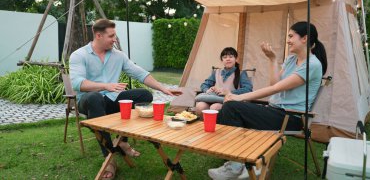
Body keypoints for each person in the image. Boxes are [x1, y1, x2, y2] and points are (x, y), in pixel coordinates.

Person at [208, 21, 328, 180]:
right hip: (276, 111)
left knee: (232, 107)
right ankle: (245, 160)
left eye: (291, 36)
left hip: (291, 117)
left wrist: (239, 96)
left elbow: (275, 89)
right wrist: (272, 59)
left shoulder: (312, 65)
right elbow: (274, 82)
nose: (288, 40)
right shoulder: (292, 60)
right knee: (233, 108)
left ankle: (238, 164)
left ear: (304, 38)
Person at [69, 18, 181, 180]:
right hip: (89, 102)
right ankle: (109, 159)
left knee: (144, 95)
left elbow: (140, 73)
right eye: (111, 36)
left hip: (112, 99)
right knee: (94, 98)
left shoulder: (118, 56)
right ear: (98, 35)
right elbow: (77, 83)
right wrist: (105, 85)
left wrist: (164, 89)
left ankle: (121, 140)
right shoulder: (79, 55)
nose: (115, 39)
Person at [195, 47, 253, 116]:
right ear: (222, 60)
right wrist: (208, 90)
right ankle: (205, 126)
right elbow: (204, 85)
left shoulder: (241, 73)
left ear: (236, 59)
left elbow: (248, 89)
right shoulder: (217, 72)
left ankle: (216, 126)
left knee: (215, 107)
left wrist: (229, 92)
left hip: (230, 100)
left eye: (231, 57)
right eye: (225, 57)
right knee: (200, 106)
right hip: (214, 98)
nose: (228, 59)